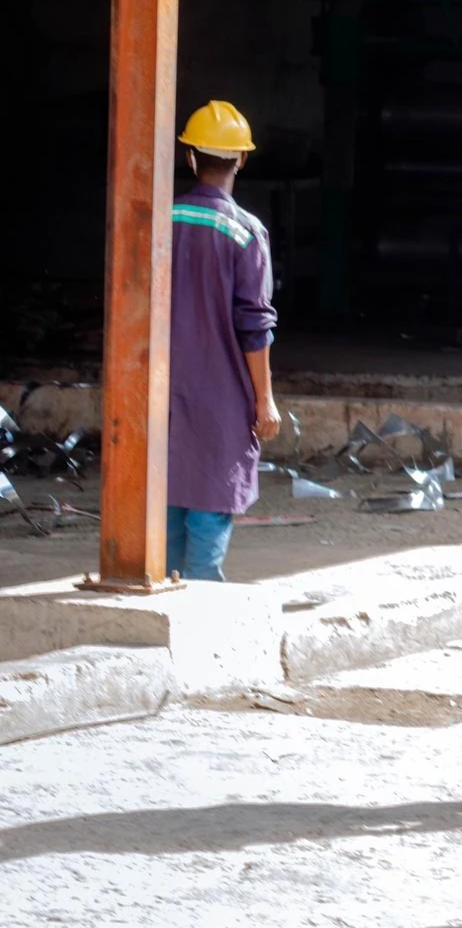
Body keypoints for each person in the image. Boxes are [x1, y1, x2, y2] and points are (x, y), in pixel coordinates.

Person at [165, 101, 282, 582]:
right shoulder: (246, 232)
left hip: (161, 394)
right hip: (221, 401)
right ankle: (199, 628)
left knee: (165, 511)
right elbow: (254, 325)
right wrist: (265, 400)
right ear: (242, 160)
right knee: (210, 514)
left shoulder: (159, 218)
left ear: (190, 157)